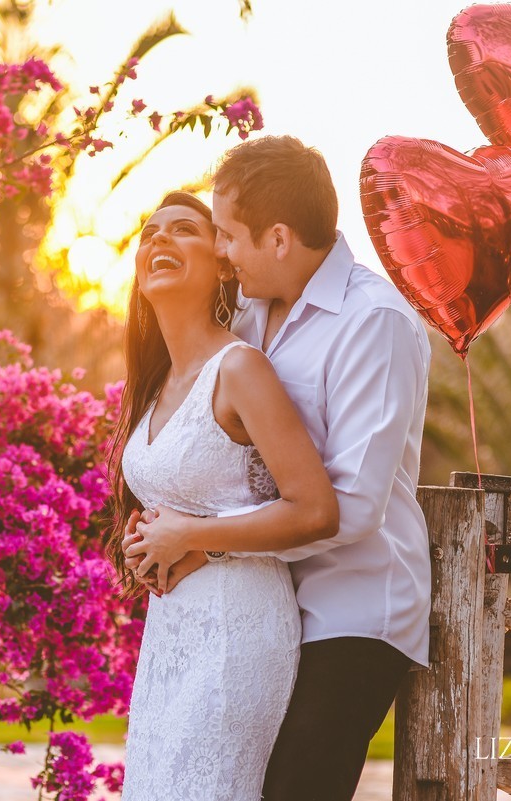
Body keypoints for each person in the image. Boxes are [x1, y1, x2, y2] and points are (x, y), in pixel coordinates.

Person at [124, 135, 433, 801]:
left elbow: (349, 507)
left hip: (355, 607)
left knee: (298, 790)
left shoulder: (373, 322)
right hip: (275, 599)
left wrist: (201, 540)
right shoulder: (252, 313)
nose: (226, 255)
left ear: (280, 239)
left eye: (229, 237)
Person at [106, 190, 340, 801]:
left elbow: (313, 509)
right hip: (171, 631)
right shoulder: (156, 383)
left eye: (183, 230)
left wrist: (189, 536)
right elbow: (180, 501)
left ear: (220, 264)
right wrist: (146, 542)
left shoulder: (240, 369)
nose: (158, 239)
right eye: (149, 232)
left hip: (237, 630)